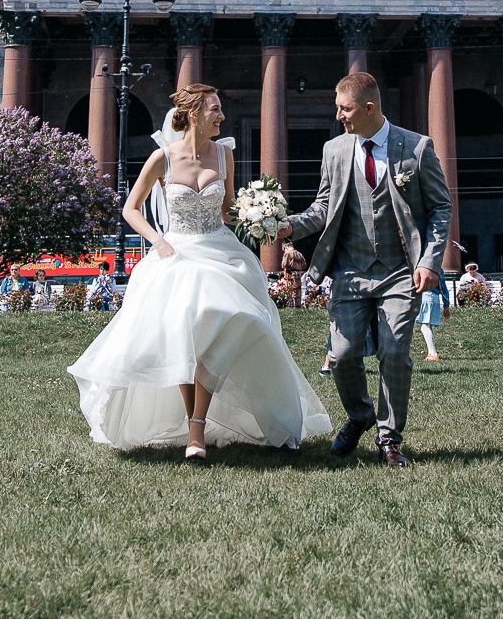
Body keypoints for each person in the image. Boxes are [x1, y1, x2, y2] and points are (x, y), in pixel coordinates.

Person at [68, 83, 330, 461]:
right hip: (175, 251)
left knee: (232, 316)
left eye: (221, 109)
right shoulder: (162, 158)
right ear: (193, 115)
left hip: (219, 250)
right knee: (182, 332)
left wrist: (259, 213)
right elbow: (130, 209)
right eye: (215, 109)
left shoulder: (224, 156)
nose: (222, 115)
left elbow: (226, 211)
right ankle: (196, 428)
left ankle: (197, 426)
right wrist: (158, 242)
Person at [277, 70, 453, 469]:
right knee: (340, 356)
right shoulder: (334, 150)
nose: (338, 115)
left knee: (394, 353)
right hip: (350, 272)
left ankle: (389, 438)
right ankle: (360, 415)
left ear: (369, 108)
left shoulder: (417, 147)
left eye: (345, 108)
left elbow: (441, 208)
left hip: (398, 271)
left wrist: (429, 261)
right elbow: (324, 207)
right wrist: (288, 225)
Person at [417, 281, 443, 362]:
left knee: (424, 326)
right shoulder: (440, 270)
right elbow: (443, 287)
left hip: (425, 296)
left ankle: (433, 354)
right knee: (428, 326)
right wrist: (446, 304)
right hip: (435, 297)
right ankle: (431, 352)